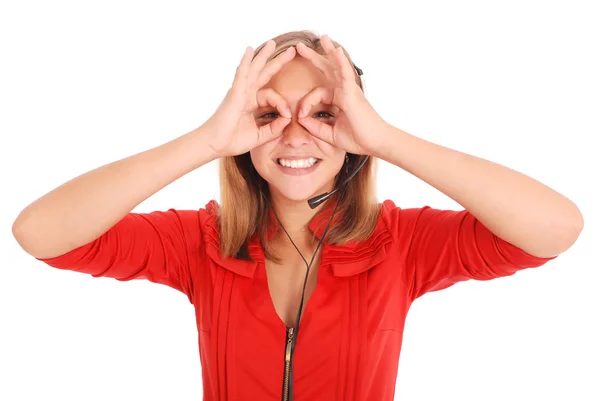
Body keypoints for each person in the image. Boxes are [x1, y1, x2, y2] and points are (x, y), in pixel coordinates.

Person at [12, 30, 584, 401]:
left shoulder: (400, 242)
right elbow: (39, 233)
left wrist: (384, 138)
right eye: (268, 113)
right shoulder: (203, 241)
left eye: (324, 113)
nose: (294, 135)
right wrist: (207, 141)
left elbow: (555, 227)